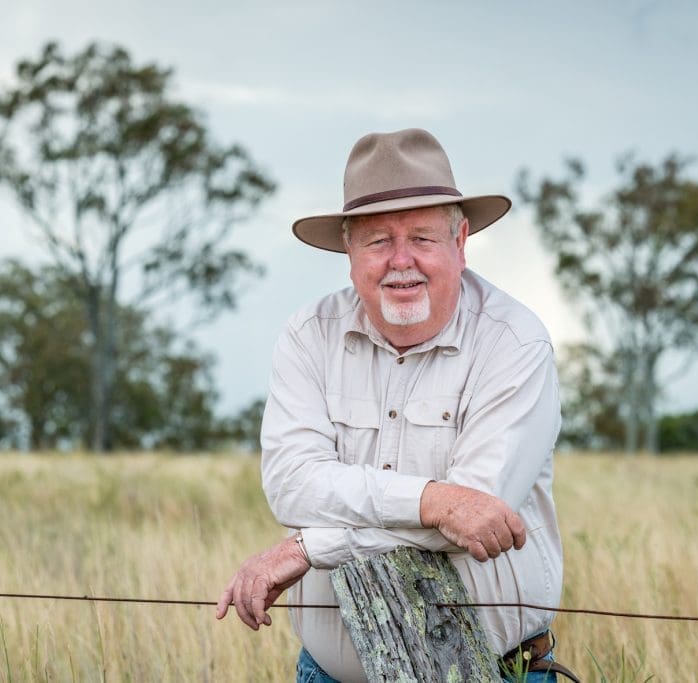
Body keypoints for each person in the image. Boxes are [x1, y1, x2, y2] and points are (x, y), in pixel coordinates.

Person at [216, 128, 575, 682]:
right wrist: (434, 500)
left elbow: (479, 515)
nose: (400, 261)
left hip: (497, 673)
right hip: (331, 675)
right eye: (378, 240)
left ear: (460, 243)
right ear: (349, 251)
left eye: (423, 239)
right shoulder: (309, 336)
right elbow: (291, 484)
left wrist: (313, 547)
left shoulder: (514, 343)